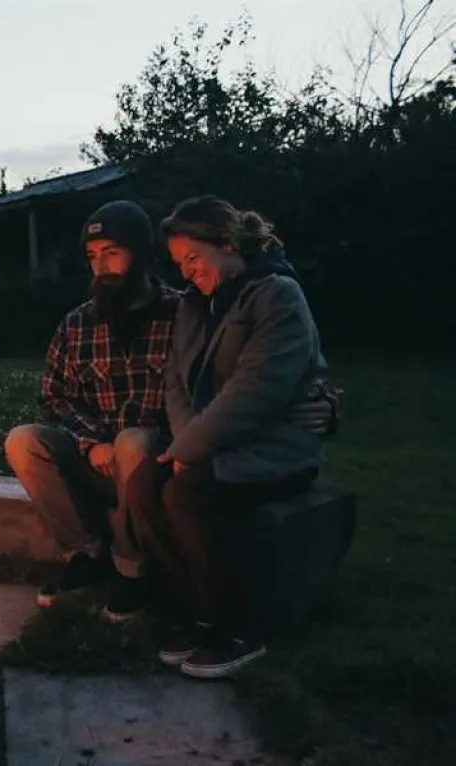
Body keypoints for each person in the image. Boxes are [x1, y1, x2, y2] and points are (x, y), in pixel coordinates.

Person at [4, 200, 340, 623]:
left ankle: (134, 569)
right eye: (92, 256)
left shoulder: (184, 308)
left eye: (112, 252)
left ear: (141, 254)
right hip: (100, 456)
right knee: (23, 440)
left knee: (134, 441)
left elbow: (250, 373)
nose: (100, 266)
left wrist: (324, 401)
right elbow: (54, 398)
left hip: (153, 454)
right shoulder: (76, 325)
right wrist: (90, 442)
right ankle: (84, 555)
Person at [126, 194, 331, 679]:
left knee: (188, 493)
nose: (186, 274)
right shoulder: (196, 306)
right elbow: (174, 382)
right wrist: (182, 446)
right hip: (210, 442)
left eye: (193, 259)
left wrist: (188, 452)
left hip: (276, 444)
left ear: (226, 242)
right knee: (142, 485)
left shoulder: (277, 295)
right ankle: (196, 610)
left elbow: (255, 392)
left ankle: (237, 629)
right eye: (179, 264)